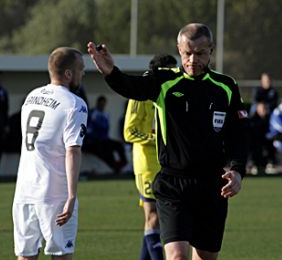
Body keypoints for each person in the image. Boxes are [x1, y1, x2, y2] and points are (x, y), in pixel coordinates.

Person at [88, 23, 249, 260]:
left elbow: (238, 135)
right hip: (173, 184)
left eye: (200, 53)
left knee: (205, 256)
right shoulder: (163, 81)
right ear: (179, 49)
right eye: (187, 53)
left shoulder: (226, 86)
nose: (193, 60)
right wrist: (111, 72)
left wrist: (236, 171)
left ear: (211, 50)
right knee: (176, 256)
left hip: (212, 185)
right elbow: (132, 86)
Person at [12, 47, 88, 259]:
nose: (84, 74)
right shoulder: (75, 104)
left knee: (26, 256)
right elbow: (73, 150)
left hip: (24, 193)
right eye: (81, 69)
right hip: (55, 195)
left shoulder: (31, 97)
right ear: (68, 74)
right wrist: (72, 196)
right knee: (61, 255)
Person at [124, 54, 177, 260]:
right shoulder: (141, 94)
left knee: (158, 219)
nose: (175, 74)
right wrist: (157, 139)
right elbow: (129, 131)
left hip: (164, 163)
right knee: (153, 216)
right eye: (171, 71)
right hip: (146, 164)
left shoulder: (169, 92)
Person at [84, 95, 127, 173]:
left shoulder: (106, 115)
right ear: (97, 104)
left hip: (104, 140)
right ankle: (114, 166)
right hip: (93, 141)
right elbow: (89, 130)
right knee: (106, 149)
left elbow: (106, 130)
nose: (102, 106)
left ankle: (124, 163)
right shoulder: (92, 114)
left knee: (118, 145)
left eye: (103, 104)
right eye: (100, 104)